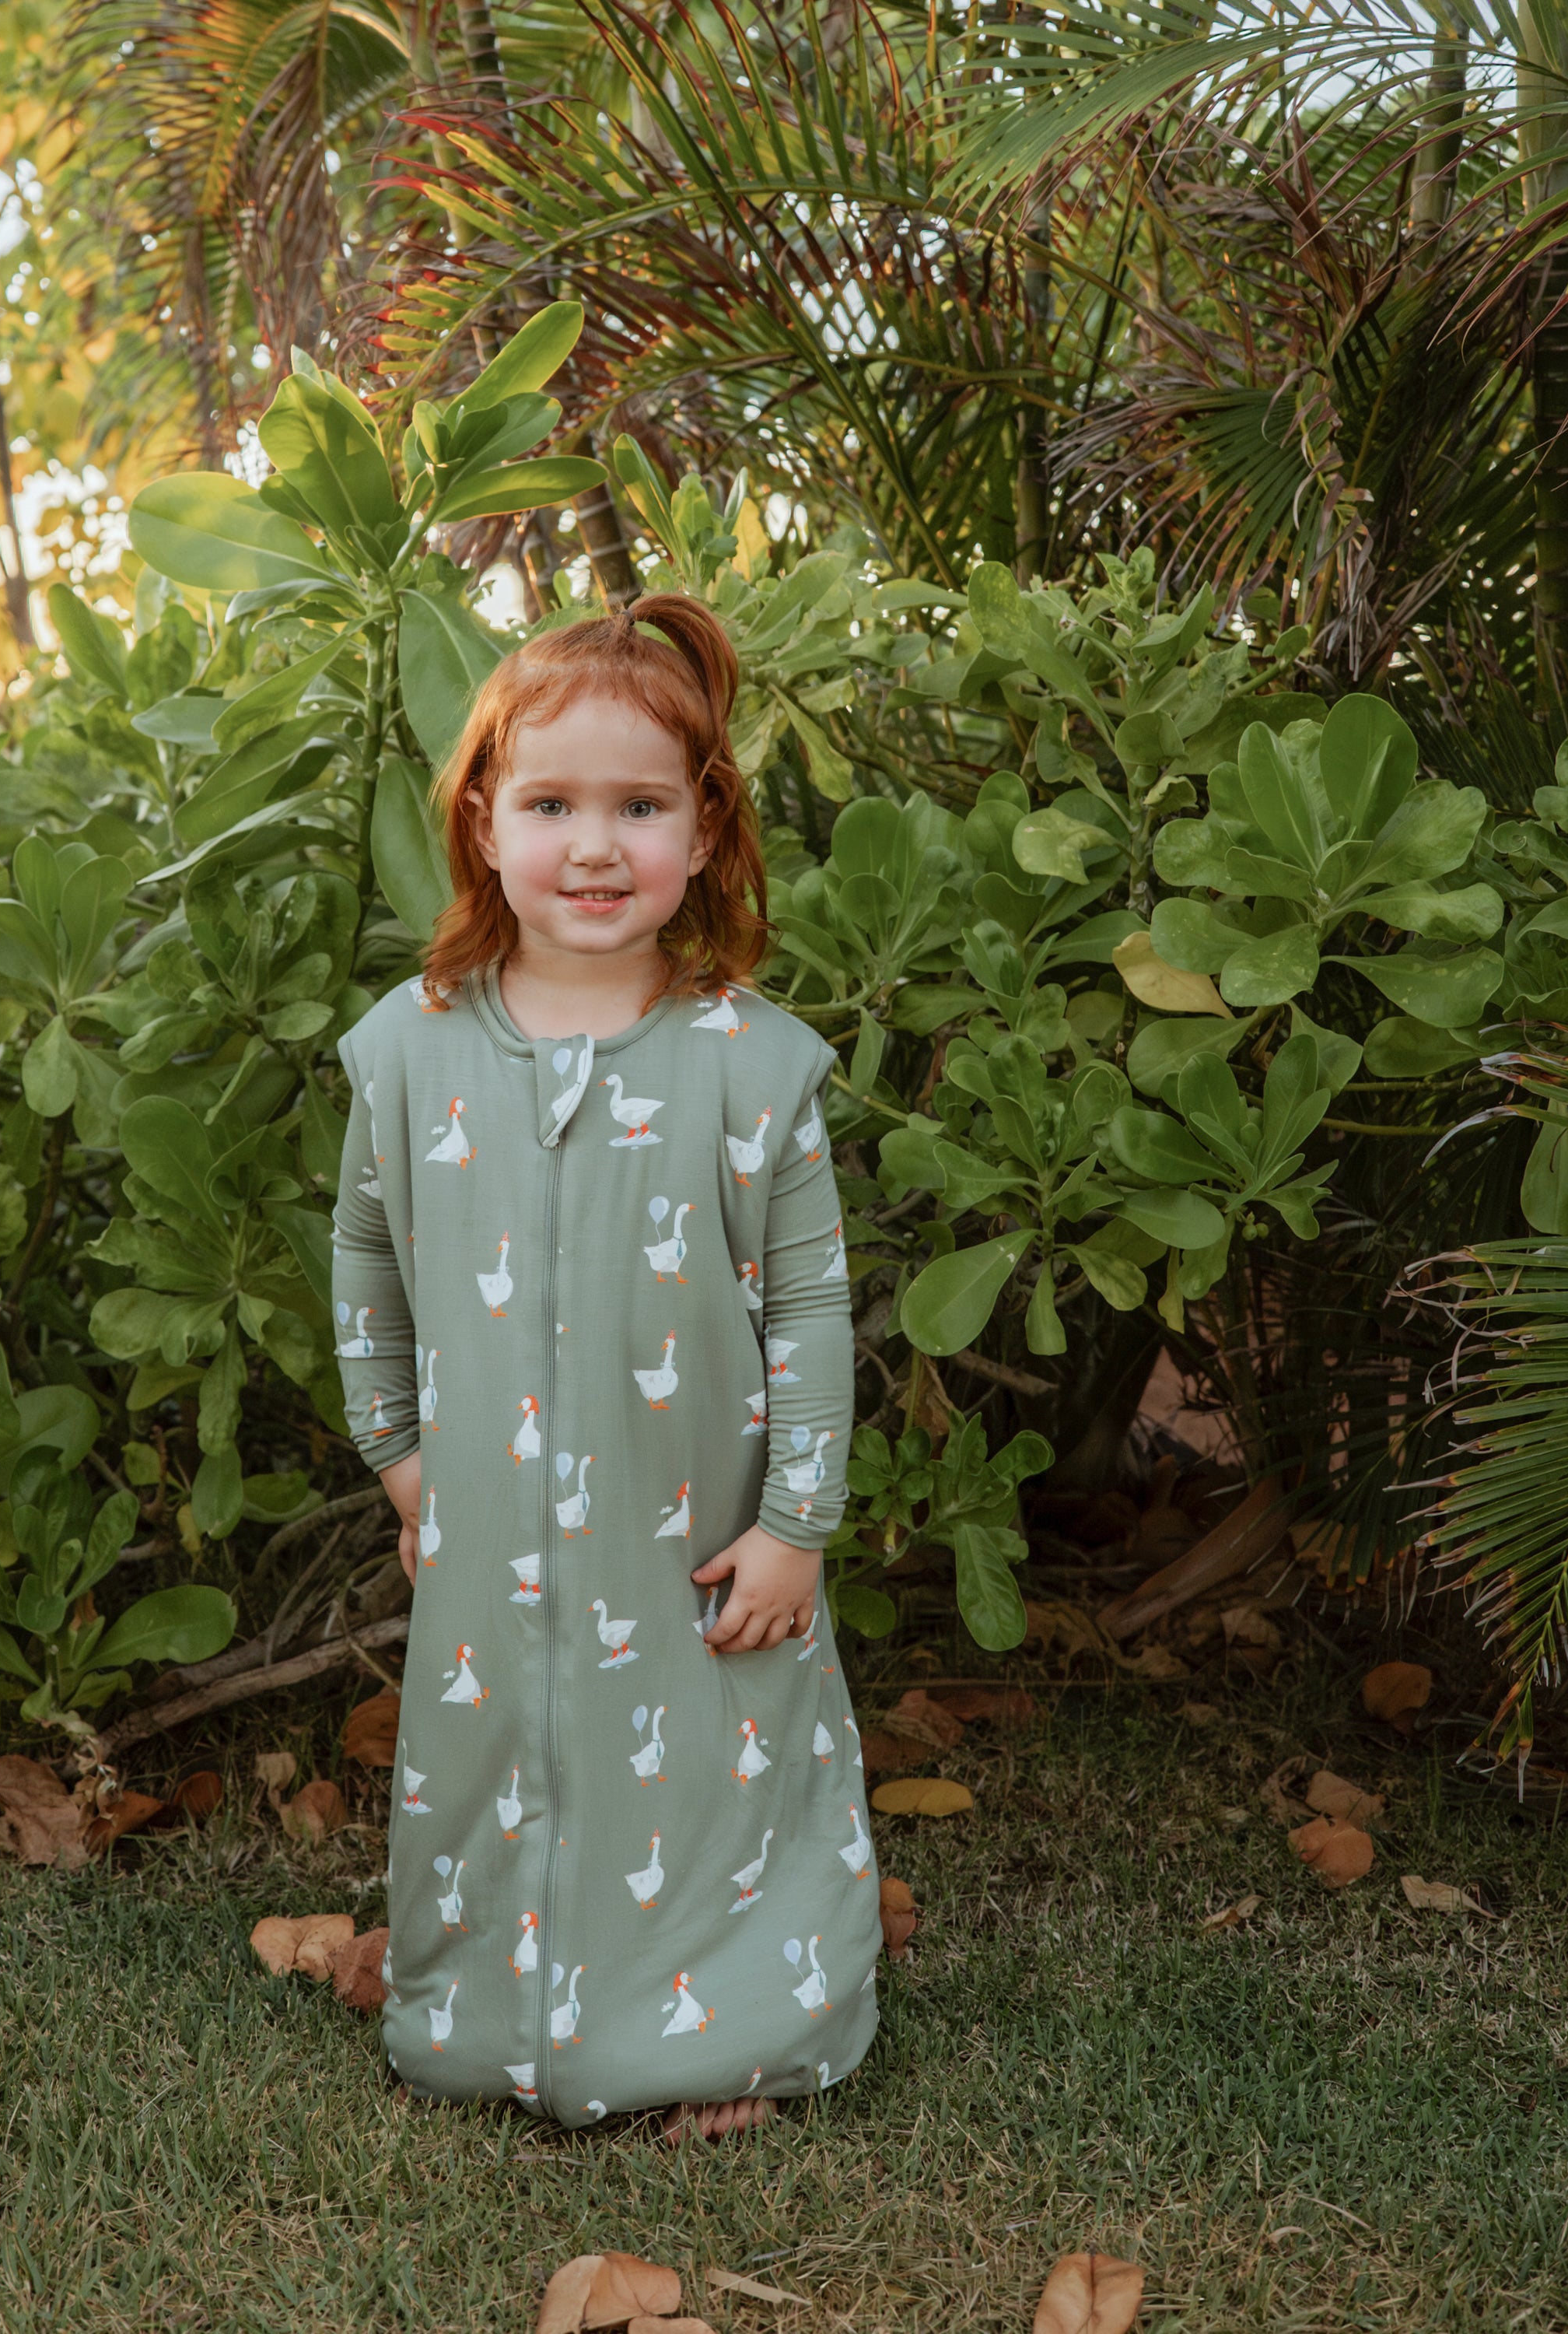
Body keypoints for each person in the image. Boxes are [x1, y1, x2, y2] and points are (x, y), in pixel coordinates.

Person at [330, 591, 875, 2145]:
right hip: (491, 1536)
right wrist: (401, 1459)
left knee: (707, 1785)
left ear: (702, 834)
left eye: (637, 806)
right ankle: (481, 2015)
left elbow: (815, 1312)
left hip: (693, 1535)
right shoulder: (410, 1049)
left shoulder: (750, 1065)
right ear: (482, 821)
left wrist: (797, 1525)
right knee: (491, 1760)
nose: (591, 845)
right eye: (552, 803)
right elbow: (367, 1263)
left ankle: (736, 2024)